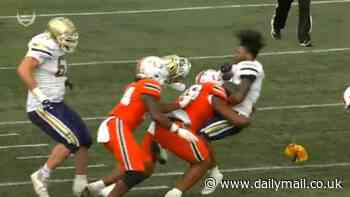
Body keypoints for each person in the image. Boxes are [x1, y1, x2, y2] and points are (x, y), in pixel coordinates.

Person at [83, 56, 197, 197]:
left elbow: (155, 107)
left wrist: (179, 104)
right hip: (117, 126)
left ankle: (95, 189)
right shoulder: (150, 85)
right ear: (155, 72)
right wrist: (178, 130)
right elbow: (155, 114)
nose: (168, 74)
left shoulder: (139, 85)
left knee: (142, 168)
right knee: (135, 171)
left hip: (117, 127)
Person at [17, 17, 92, 197]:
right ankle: (41, 176)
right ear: (54, 36)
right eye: (67, 37)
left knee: (85, 139)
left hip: (56, 102)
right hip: (42, 106)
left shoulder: (55, 46)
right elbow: (23, 69)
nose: (70, 41)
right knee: (72, 141)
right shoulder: (45, 45)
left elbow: (51, 68)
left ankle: (81, 185)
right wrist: (41, 97)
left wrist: (64, 80)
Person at [199, 29, 265, 195]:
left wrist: (215, 84)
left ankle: (213, 173)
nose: (236, 51)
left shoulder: (250, 67)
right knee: (188, 128)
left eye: (240, 48)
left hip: (234, 114)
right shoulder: (240, 66)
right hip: (222, 110)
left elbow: (238, 96)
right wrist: (222, 75)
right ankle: (210, 169)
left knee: (201, 137)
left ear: (248, 52)